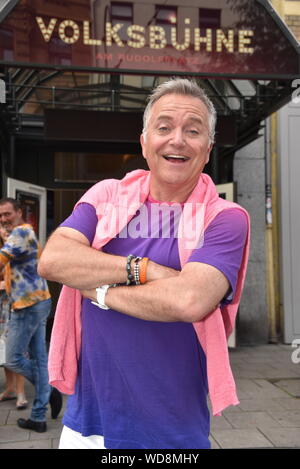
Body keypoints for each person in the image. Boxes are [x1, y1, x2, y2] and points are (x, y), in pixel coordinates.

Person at [39, 78, 250, 449]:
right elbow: (54, 259)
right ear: (144, 141)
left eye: (193, 130)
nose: (177, 139)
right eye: (164, 127)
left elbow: (190, 300)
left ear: (207, 149)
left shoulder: (226, 218)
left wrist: (99, 291)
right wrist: (145, 270)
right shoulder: (106, 196)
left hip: (169, 433)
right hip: (86, 424)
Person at [0, 198, 62, 433]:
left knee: (12, 358)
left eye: (7, 214)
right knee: (39, 360)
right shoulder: (19, 234)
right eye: (0, 216)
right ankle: (38, 417)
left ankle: (48, 391)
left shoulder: (21, 232)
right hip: (38, 302)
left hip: (28, 306)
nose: (4, 219)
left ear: (18, 212)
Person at [0, 226, 28, 410]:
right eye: (2, 227)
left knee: (17, 349)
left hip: (18, 306)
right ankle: (10, 388)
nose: (6, 230)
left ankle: (21, 393)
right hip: (2, 308)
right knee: (4, 349)